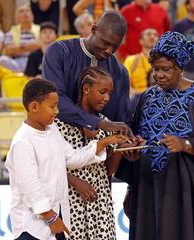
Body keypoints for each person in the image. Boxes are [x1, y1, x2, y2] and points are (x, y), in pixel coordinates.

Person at [116, 31, 194, 240]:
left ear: (180, 68)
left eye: (166, 69)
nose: (159, 75)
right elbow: (137, 134)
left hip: (185, 186)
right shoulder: (146, 97)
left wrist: (185, 144)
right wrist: (134, 150)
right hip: (147, 183)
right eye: (156, 69)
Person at [5, 78, 128, 240]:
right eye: (52, 106)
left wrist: (104, 142)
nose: (57, 112)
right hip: (31, 226)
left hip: (57, 217)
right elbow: (30, 187)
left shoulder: (52, 130)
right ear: (34, 107)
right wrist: (50, 217)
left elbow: (72, 157)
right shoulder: (23, 141)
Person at [55, 66, 128, 239]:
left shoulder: (106, 123)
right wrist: (74, 181)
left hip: (99, 199)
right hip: (70, 198)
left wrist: (119, 150)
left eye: (109, 93)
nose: (107, 98)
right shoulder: (59, 122)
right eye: (102, 92)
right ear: (86, 89)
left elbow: (108, 171)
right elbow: (50, 165)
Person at [42, 10, 133, 137]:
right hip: (58, 142)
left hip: (104, 151)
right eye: (105, 43)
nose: (109, 51)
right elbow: (54, 101)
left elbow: (124, 120)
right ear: (94, 29)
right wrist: (96, 122)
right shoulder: (59, 52)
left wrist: (129, 141)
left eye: (115, 46)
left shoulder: (120, 72)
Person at [0, 4, 41, 72]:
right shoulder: (11, 32)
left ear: (32, 16)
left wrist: (20, 48)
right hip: (17, 63)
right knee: (2, 60)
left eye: (27, 11)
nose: (25, 13)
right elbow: (9, 50)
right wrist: (31, 47)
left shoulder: (40, 29)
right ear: (17, 17)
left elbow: (42, 46)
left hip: (36, 62)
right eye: (21, 11)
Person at [124, 28, 159, 96]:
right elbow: (124, 83)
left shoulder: (164, 62)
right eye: (148, 34)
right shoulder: (131, 60)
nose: (152, 37)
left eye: (155, 35)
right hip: (137, 99)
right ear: (141, 41)